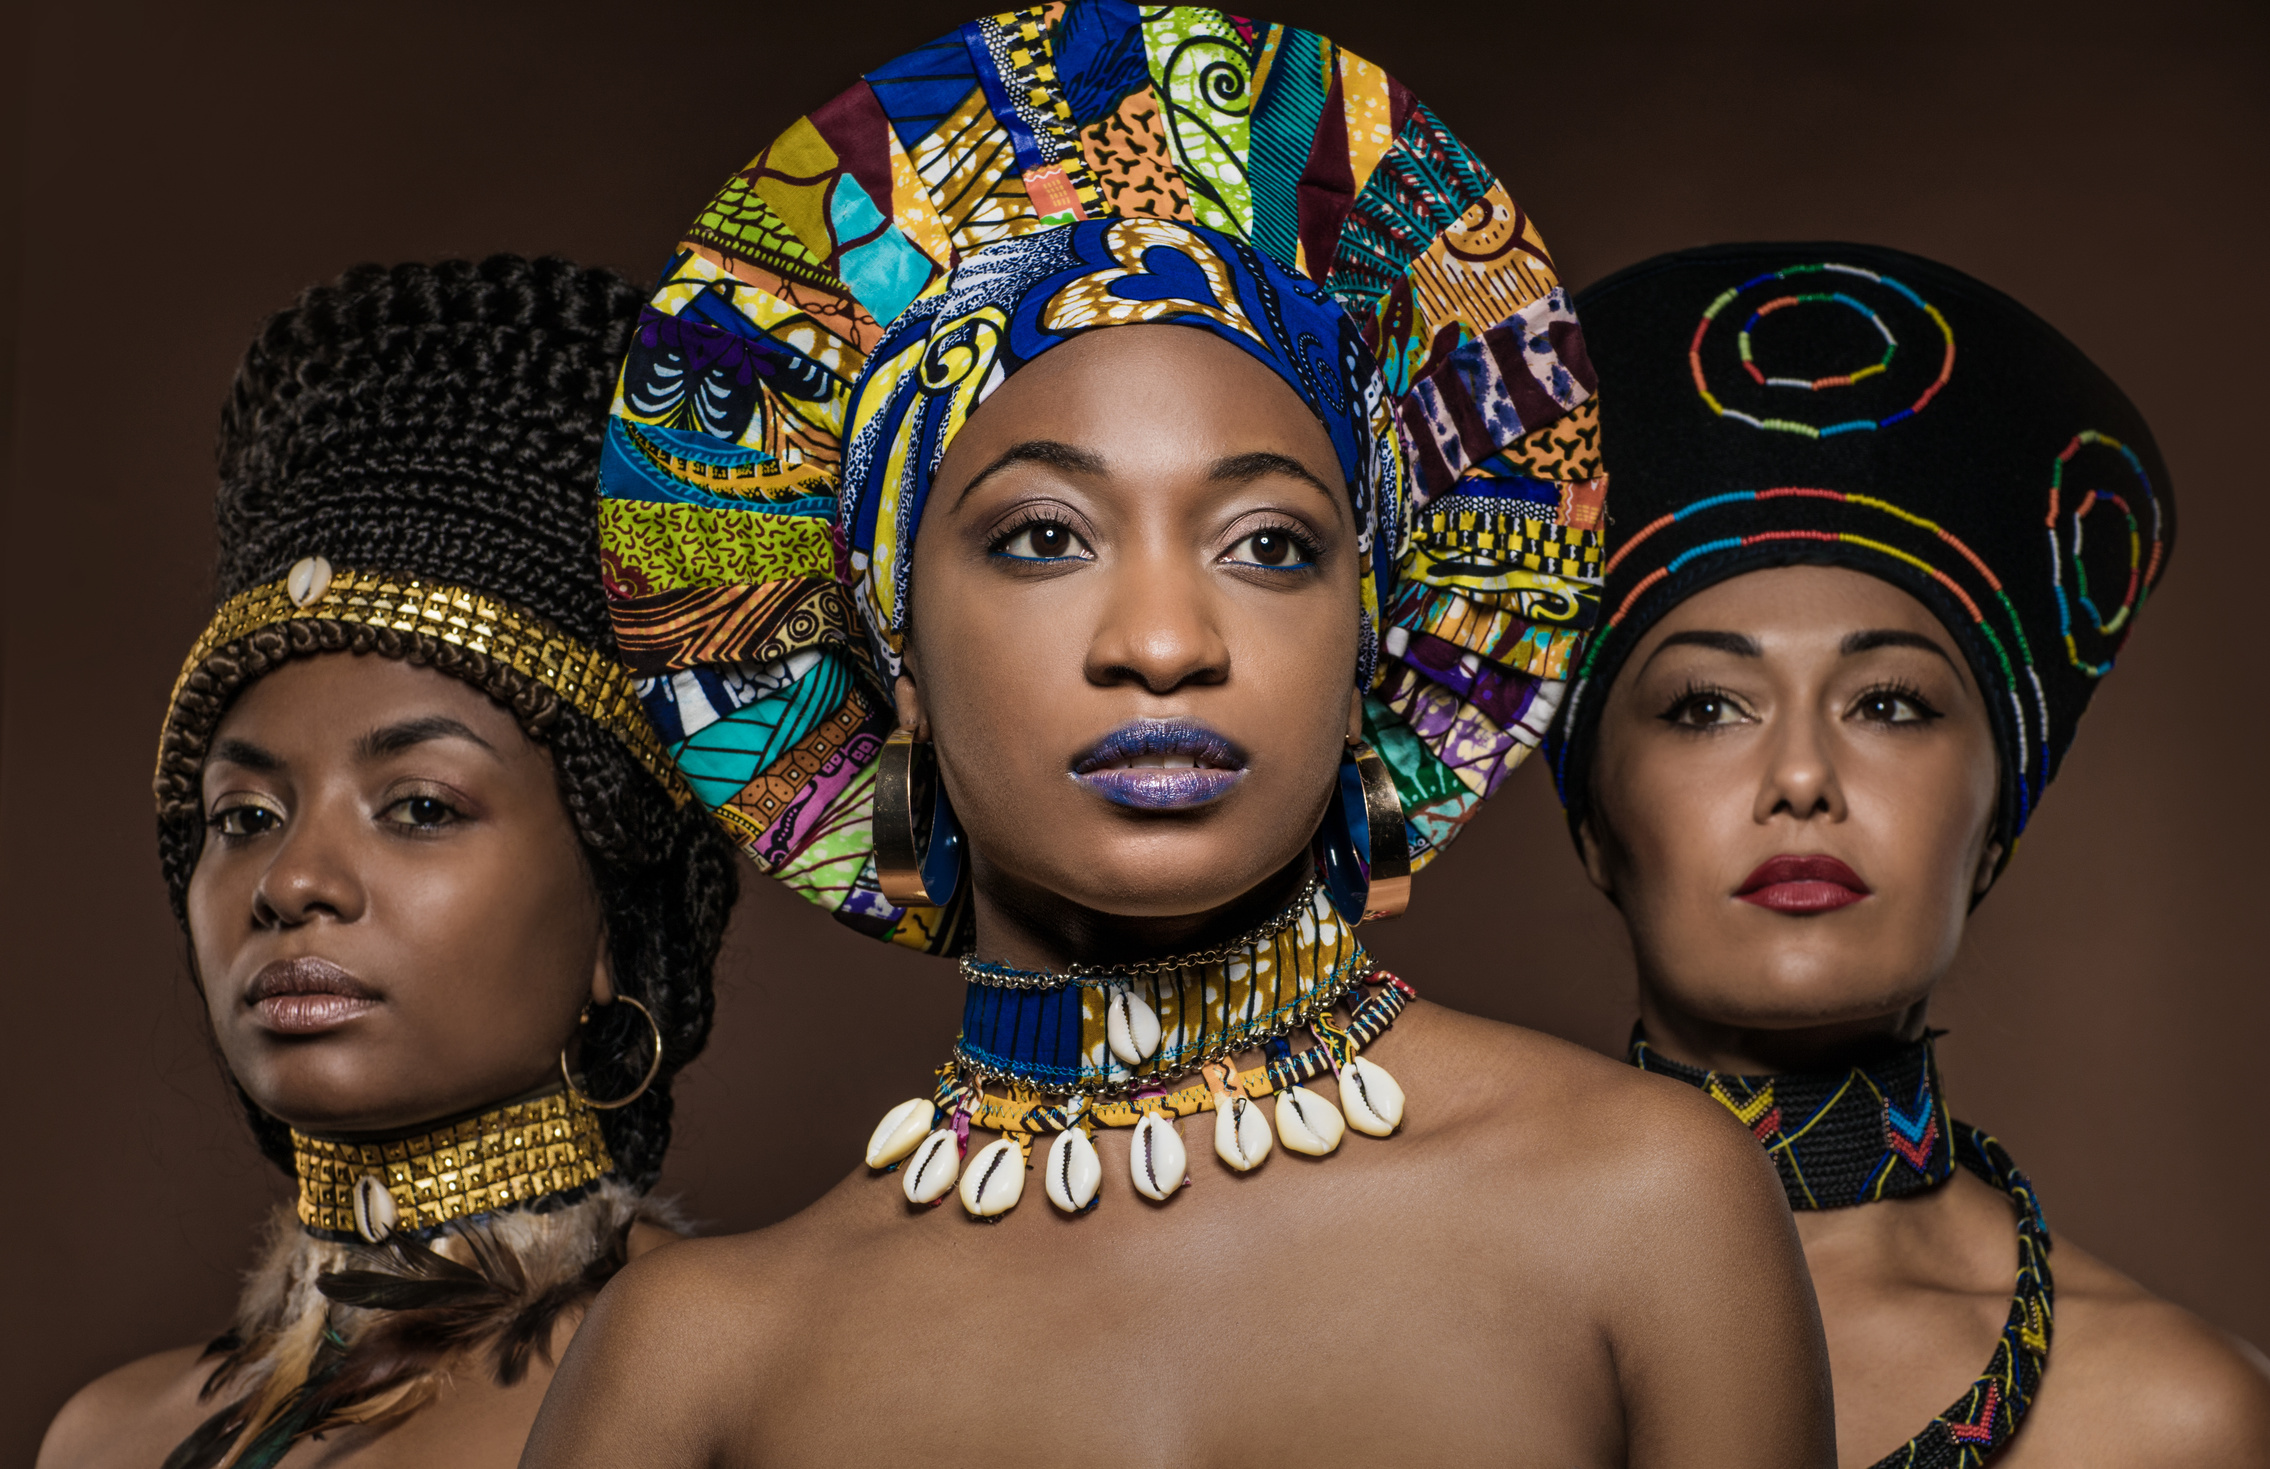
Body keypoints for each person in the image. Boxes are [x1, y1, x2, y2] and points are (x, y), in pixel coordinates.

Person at [521, 9, 1836, 1465]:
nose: (1162, 639)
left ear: (1367, 646)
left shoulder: (1646, 1209)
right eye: (1041, 537)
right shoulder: (698, 1360)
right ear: (888, 646)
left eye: (1268, 544)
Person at [1544, 241, 2270, 1466]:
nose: (1800, 777)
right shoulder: (1400, 1314)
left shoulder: (2172, 1416)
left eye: (1887, 702)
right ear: (1592, 825)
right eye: (1703, 705)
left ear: (1994, 819)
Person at [37, 256, 739, 1469]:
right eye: (244, 815)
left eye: (417, 804)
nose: (292, 880)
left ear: (616, 915)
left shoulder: (748, 1382)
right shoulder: (103, 1434)